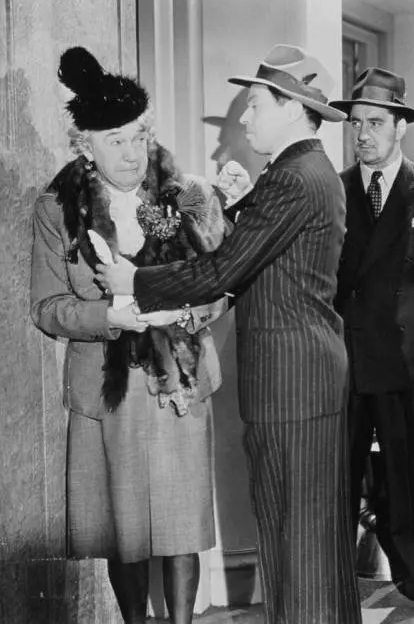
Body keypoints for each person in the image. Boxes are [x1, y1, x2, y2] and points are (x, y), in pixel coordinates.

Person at [97, 44, 361, 624]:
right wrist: (237, 209)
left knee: (296, 540)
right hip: (304, 374)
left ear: (292, 108)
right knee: (311, 539)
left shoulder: (294, 177)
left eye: (255, 104)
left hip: (292, 380)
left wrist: (134, 279)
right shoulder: (306, 171)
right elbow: (269, 264)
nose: (245, 119)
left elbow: (224, 270)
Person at [30, 47, 227, 624]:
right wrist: (109, 319)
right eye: (115, 140)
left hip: (178, 384)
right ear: (84, 146)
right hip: (106, 391)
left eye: (139, 136)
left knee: (181, 524)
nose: (132, 152)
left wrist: (184, 314)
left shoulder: (189, 193)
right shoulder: (56, 210)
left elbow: (222, 283)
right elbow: (47, 308)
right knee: (126, 532)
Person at [329, 67, 414, 620]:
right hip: (343, 358)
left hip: (409, 360)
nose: (363, 134)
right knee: (339, 475)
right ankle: (334, 581)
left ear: (400, 127)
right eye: (356, 123)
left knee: (412, 473)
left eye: (376, 123)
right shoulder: (334, 190)